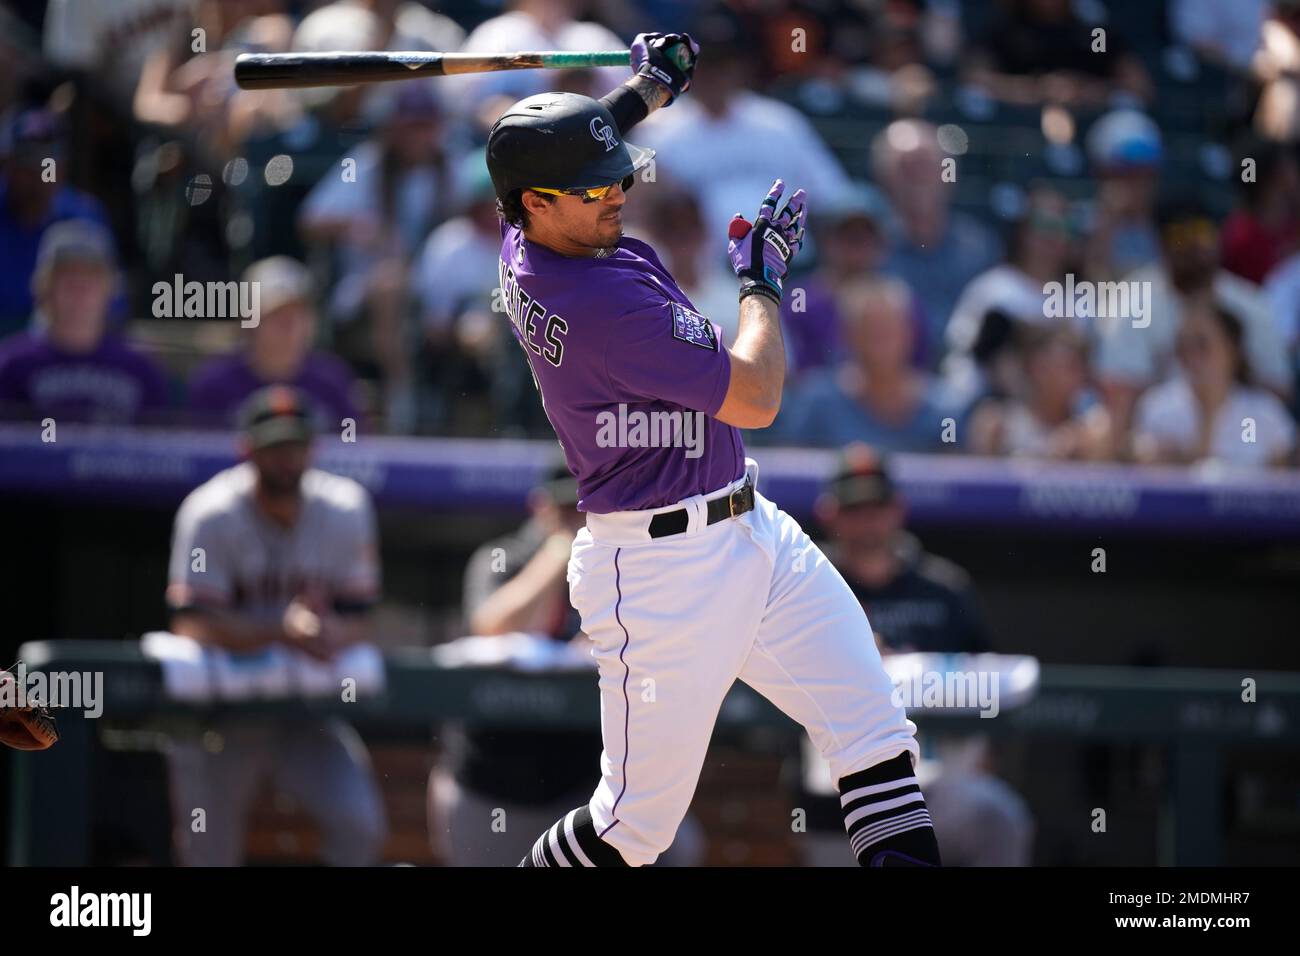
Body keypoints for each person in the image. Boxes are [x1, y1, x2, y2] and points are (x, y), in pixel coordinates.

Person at [487, 32, 938, 868]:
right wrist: (762, 282)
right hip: (661, 572)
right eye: (592, 188)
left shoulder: (529, 229)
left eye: (618, 171)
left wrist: (644, 91)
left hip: (750, 527)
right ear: (537, 204)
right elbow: (758, 396)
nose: (617, 191)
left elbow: (566, 151)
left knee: (878, 736)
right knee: (631, 827)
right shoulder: (599, 302)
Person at [429, 465, 703, 866]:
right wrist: (558, 554)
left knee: (678, 846)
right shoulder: (503, 557)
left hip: (582, 786)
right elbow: (491, 626)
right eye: (564, 508)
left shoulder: (621, 563)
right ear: (539, 507)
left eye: (586, 508)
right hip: (492, 782)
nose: (577, 518)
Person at [164, 385, 387, 866]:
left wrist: (332, 634)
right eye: (274, 446)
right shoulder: (210, 513)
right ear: (247, 449)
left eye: (296, 445)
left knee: (359, 824)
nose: (287, 457)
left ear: (313, 448)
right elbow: (191, 625)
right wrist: (279, 629)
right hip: (219, 719)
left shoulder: (345, 509)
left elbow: (361, 621)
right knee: (208, 853)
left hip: (303, 713)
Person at [792, 445, 1033, 867]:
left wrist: (922, 670)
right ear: (830, 513)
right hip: (833, 785)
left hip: (934, 778)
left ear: (897, 510)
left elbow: (993, 685)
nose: (867, 521)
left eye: (877, 507)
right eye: (854, 509)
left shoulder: (943, 589)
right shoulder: (806, 584)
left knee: (999, 816)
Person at [1096, 200, 1292, 444]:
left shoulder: (1251, 305)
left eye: (1201, 232)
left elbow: (1276, 388)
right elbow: (1119, 395)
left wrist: (1221, 396)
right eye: (1179, 234)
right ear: (1161, 243)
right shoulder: (1131, 303)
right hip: (1157, 438)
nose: (1191, 245)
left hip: (1239, 436)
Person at [0, 220, 168, 425]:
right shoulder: (11, 366)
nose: (80, 291)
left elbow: (160, 450)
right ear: (43, 287)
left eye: (91, 279)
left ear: (111, 288)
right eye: (68, 279)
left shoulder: (141, 371)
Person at [771, 277, 957, 452]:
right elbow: (793, 471)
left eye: (888, 331)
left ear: (910, 334)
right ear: (848, 336)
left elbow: (958, 475)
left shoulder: (944, 408)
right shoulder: (816, 403)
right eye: (871, 331)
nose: (881, 344)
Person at [873, 119, 1002, 363]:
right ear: (885, 180)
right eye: (907, 168)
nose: (918, 178)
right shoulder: (871, 247)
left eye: (927, 166)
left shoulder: (981, 245)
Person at [188, 256, 362, 431]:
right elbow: (193, 447)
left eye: (299, 315)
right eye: (277, 316)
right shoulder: (215, 384)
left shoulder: (332, 381)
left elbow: (353, 443)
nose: (291, 327)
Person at [1132, 303, 1296, 467]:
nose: (1190, 356)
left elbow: (1282, 476)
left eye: (1201, 345)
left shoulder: (1265, 412)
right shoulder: (1158, 407)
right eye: (1182, 346)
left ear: (1232, 350)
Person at [0, 108, 115, 338]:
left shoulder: (83, 215)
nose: (40, 172)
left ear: (62, 168)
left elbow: (111, 305)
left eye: (49, 161)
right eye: (28, 160)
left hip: (60, 346)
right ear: (7, 165)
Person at [967, 323, 1113, 460]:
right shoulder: (997, 425)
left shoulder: (1095, 430)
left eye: (1073, 367)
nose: (1075, 376)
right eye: (1043, 367)